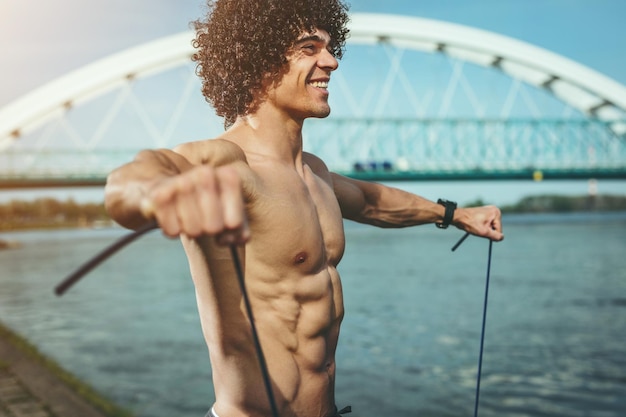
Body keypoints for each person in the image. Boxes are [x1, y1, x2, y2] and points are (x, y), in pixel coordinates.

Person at [104, 0, 504, 416]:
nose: (331, 61)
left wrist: (458, 215)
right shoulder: (227, 163)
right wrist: (154, 194)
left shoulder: (315, 172)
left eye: (329, 47)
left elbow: (372, 202)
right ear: (256, 56)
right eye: (309, 48)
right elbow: (134, 180)